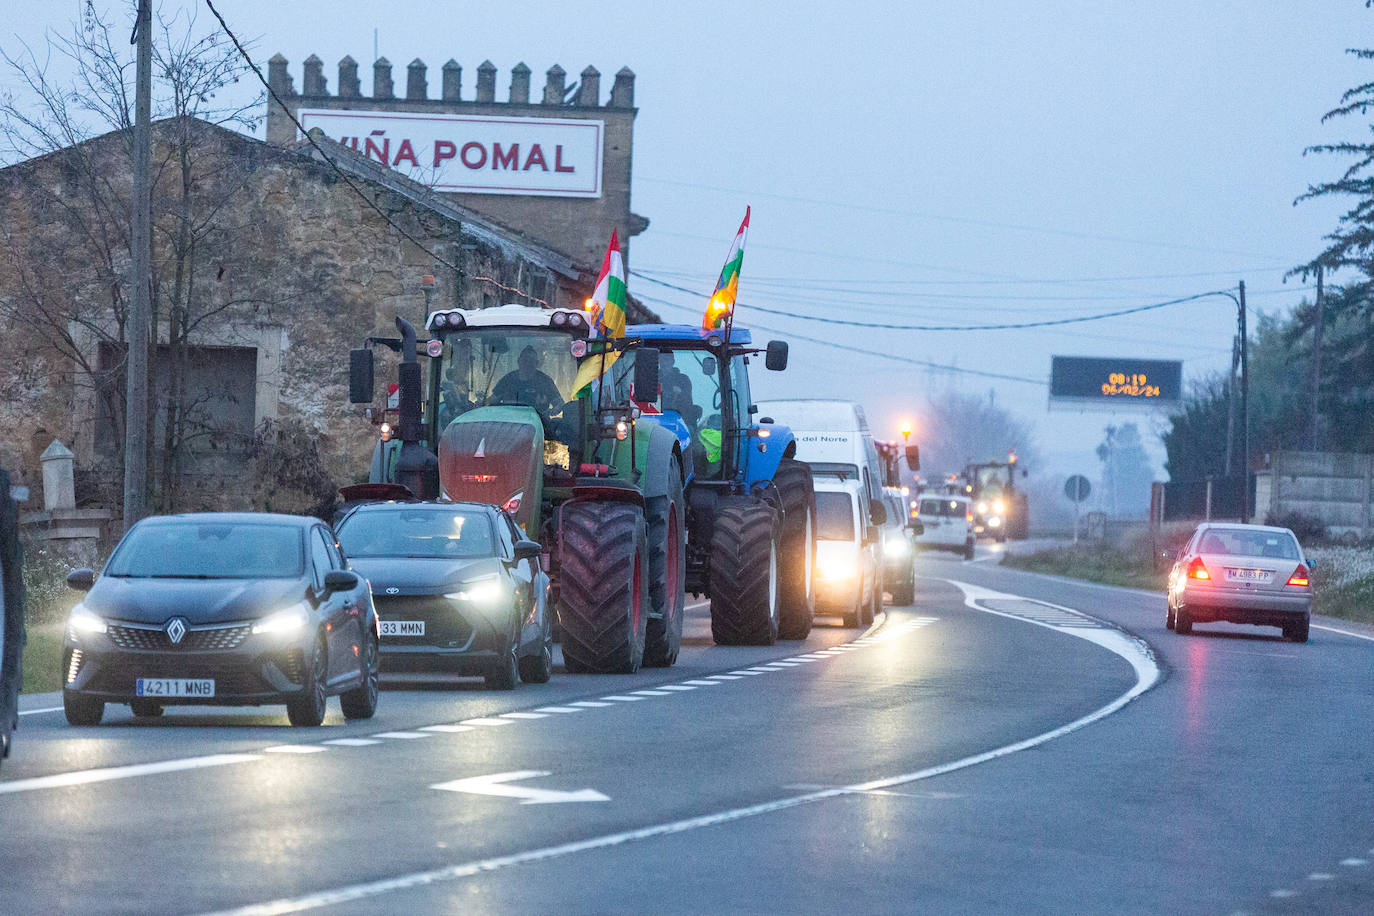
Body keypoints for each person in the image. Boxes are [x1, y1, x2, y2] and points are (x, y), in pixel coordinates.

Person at [491, 345, 563, 417]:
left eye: (531, 361)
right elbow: (492, 401)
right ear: (519, 361)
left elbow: (559, 403)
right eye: (525, 360)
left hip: (540, 424)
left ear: (536, 363)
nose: (528, 364)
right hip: (510, 423)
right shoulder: (508, 380)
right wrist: (482, 404)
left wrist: (555, 409)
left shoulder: (545, 382)